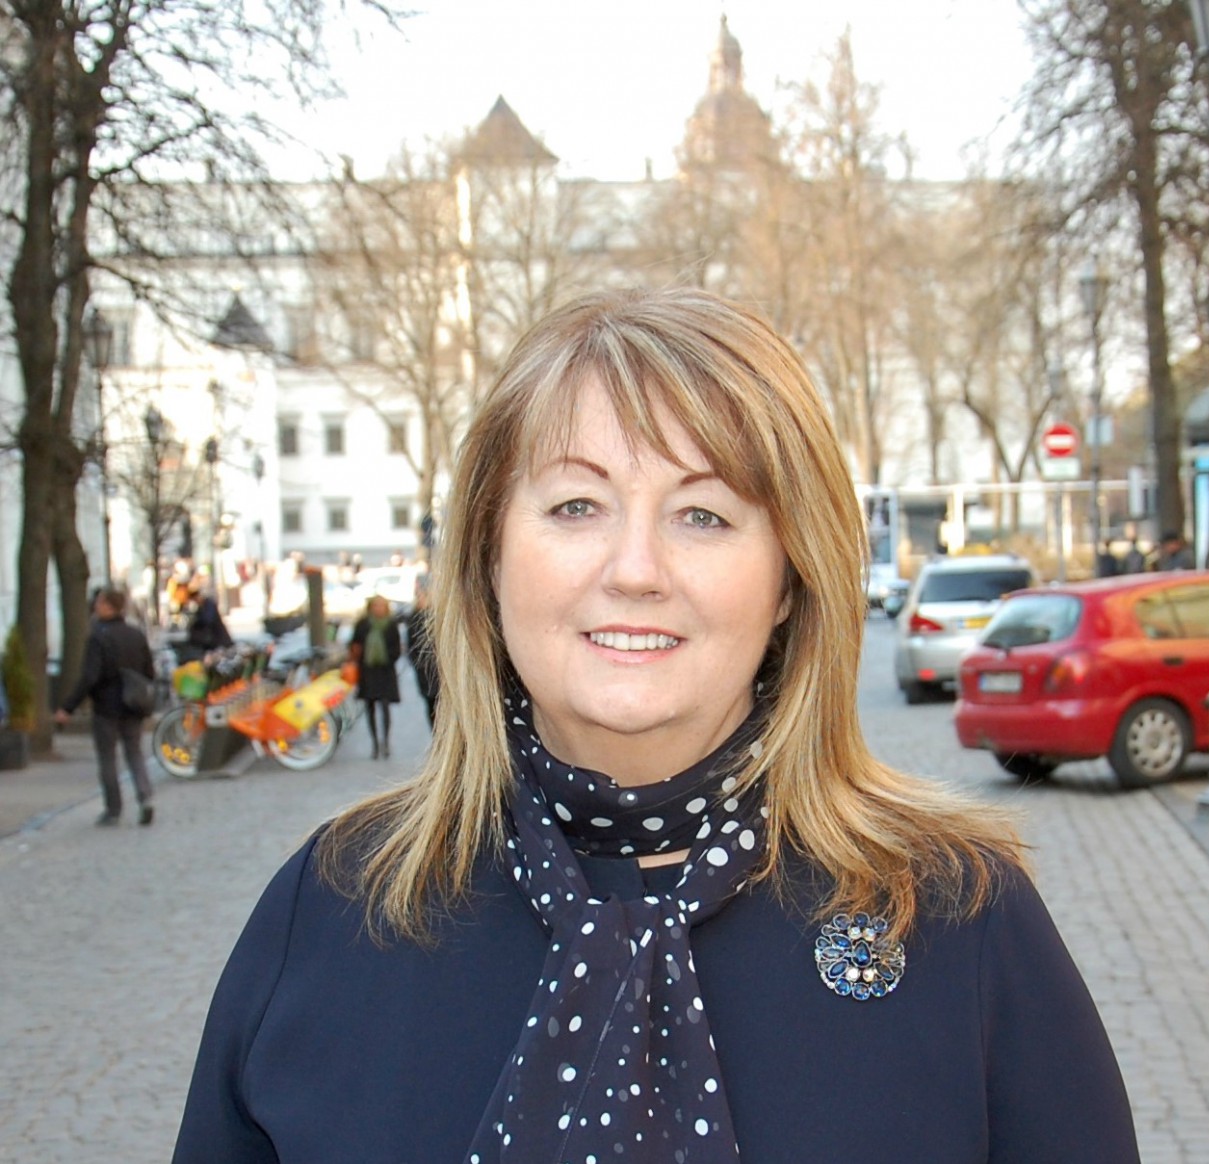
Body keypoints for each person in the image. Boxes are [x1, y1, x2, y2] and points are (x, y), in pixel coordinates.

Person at [173, 289, 1139, 1161]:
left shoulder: (956, 916)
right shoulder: (336, 907)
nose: (634, 569)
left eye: (703, 515)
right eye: (576, 504)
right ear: (488, 559)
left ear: (790, 581)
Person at [54, 588, 157, 827]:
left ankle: (113, 809)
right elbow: (149, 671)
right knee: (134, 753)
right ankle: (145, 797)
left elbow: (90, 677)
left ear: (110, 607)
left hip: (106, 707)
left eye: (99, 603)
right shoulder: (135, 635)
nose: (95, 607)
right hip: (133, 705)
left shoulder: (98, 638)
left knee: (108, 758)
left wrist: (68, 707)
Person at [349, 594, 402, 759]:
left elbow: (397, 648)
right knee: (369, 707)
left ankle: (385, 741)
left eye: (381, 606)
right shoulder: (363, 624)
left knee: (385, 707)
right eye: (375, 606)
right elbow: (354, 644)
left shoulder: (391, 625)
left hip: (385, 672)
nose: (378, 609)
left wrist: (387, 657)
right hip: (367, 672)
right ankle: (375, 743)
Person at [404, 573, 439, 728]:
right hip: (424, 671)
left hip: (440, 670)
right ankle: (436, 735)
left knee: (442, 705)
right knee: (431, 704)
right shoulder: (414, 618)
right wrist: (418, 664)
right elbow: (411, 646)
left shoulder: (438, 615)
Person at [183, 579, 234, 659]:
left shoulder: (209, 604)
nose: (196, 602)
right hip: (212, 640)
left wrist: (197, 622)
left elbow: (207, 619)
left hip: (218, 638)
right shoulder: (201, 607)